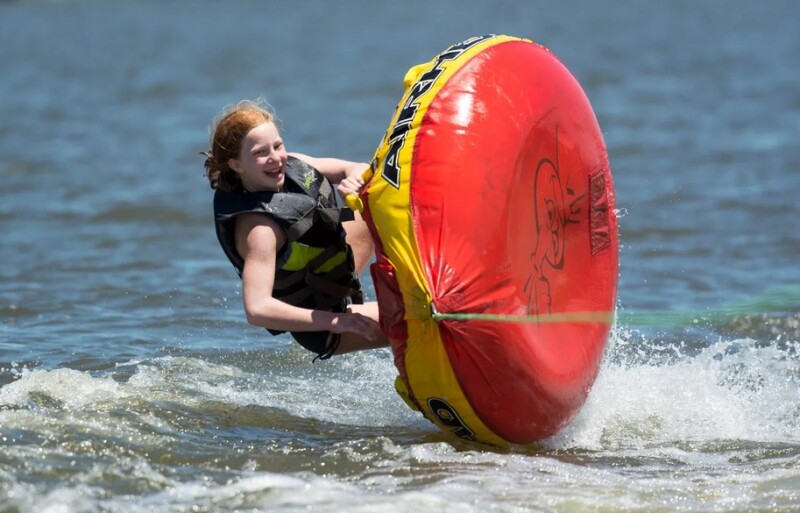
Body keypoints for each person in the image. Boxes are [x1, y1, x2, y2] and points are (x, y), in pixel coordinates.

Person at [203, 99, 388, 360]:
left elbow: (356, 168)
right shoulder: (260, 229)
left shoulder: (294, 165)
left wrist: (354, 181)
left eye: (277, 146)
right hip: (324, 324)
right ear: (236, 165)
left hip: (337, 277)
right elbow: (256, 309)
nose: (275, 158)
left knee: (377, 191)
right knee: (417, 322)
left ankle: (417, 278)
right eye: (260, 153)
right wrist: (335, 322)